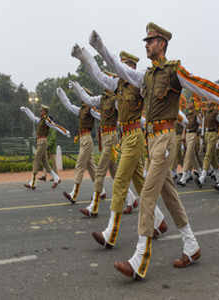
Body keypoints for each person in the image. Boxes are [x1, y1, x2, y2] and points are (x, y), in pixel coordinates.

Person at [88, 22, 219, 279]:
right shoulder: (146, 76)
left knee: (148, 194)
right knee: (169, 195)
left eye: (150, 41)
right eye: (146, 41)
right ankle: (191, 245)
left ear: (162, 43)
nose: (146, 45)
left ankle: (140, 259)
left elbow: (200, 85)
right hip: (152, 141)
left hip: (166, 139)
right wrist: (100, 48)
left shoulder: (174, 72)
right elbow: (118, 69)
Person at [72, 46, 169, 247]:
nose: (121, 68)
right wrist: (85, 58)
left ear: (132, 67)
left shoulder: (140, 81)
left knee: (119, 183)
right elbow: (99, 75)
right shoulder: (119, 86)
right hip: (124, 137)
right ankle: (159, 221)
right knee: (142, 184)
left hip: (134, 137)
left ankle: (111, 233)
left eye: (125, 65)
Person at [69, 80, 139, 215]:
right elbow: (88, 99)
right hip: (105, 136)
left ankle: (93, 207)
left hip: (111, 138)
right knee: (115, 173)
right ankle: (131, 199)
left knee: (100, 171)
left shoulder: (115, 99)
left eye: (107, 81)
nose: (103, 82)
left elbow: (126, 114)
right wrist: (77, 88)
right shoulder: (102, 99)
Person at [56, 88, 98, 204]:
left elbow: (102, 117)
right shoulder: (81, 110)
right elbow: (69, 105)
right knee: (92, 168)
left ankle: (74, 194)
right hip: (83, 139)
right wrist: (61, 94)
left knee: (80, 165)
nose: (81, 96)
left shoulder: (90, 109)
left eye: (83, 94)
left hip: (87, 139)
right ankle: (101, 190)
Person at [20, 105, 70, 190]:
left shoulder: (47, 120)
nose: (40, 112)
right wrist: (26, 110)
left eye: (41, 111)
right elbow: (33, 118)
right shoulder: (41, 120)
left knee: (36, 159)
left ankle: (32, 183)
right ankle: (57, 178)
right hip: (40, 142)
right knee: (45, 163)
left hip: (43, 142)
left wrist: (65, 132)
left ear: (45, 112)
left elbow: (55, 126)